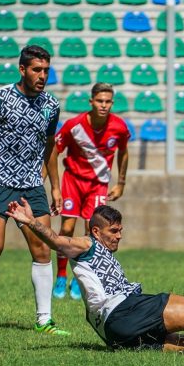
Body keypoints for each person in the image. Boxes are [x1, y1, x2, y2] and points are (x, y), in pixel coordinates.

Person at [6, 200, 184, 357]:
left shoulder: (99, 252)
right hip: (124, 310)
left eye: (120, 230)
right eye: (113, 231)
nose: (119, 235)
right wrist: (30, 222)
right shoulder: (86, 244)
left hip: (114, 333)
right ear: (95, 231)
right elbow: (57, 241)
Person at [0, 45, 68, 335]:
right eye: (36, 70)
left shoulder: (51, 105)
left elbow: (50, 145)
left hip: (31, 185)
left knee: (43, 249)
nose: (42, 75)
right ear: (22, 69)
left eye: (46, 70)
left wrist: (55, 186)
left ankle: (44, 320)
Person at [50, 83, 130, 301]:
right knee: (66, 228)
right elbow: (53, 151)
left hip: (97, 184)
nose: (103, 105)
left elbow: (123, 152)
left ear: (112, 103)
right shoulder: (73, 125)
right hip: (72, 181)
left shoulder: (119, 127)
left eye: (107, 102)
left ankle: (79, 278)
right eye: (99, 101)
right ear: (91, 102)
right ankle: (61, 275)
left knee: (91, 230)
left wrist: (121, 182)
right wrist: (54, 187)